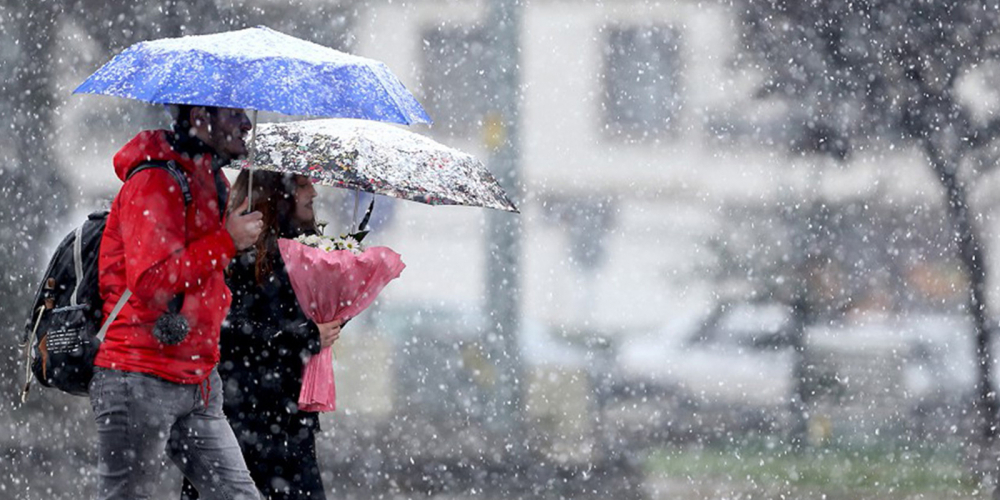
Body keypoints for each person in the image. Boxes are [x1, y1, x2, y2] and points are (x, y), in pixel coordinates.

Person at [92, 104, 264, 500]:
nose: (246, 124)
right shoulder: (154, 180)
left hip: (199, 379)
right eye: (233, 113)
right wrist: (227, 242)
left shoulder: (212, 179)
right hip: (138, 375)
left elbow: (203, 272)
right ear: (201, 116)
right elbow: (151, 281)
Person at [181, 170, 342, 500]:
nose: (313, 192)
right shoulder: (238, 254)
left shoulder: (303, 250)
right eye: (302, 185)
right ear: (276, 194)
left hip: (288, 418)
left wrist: (335, 312)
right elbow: (229, 329)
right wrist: (305, 336)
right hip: (241, 415)